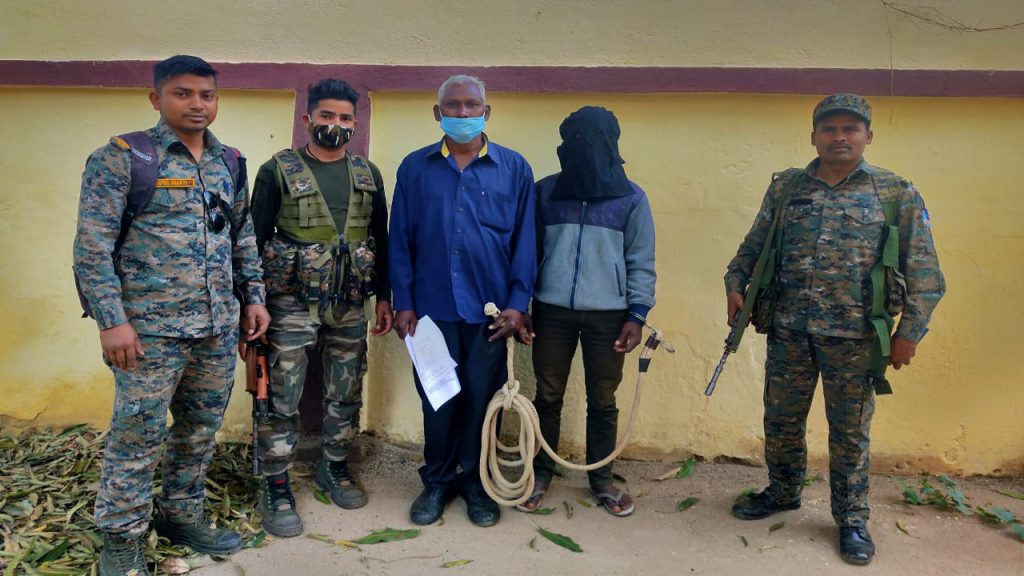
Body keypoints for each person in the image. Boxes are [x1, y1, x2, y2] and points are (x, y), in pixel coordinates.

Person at [725, 94, 945, 565]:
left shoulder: (895, 192)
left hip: (857, 339)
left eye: (850, 128)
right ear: (814, 137)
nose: (839, 137)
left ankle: (851, 519)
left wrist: (909, 334)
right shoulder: (788, 188)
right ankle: (783, 491)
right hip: (789, 329)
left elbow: (926, 274)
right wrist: (734, 284)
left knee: (849, 434)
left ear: (868, 136)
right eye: (829, 129)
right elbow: (754, 244)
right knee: (781, 421)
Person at [73, 55, 270, 576]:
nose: (197, 104)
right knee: (137, 437)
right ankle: (122, 539)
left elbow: (242, 236)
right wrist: (111, 321)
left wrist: (253, 298)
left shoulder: (230, 163)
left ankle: (180, 515)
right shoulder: (123, 159)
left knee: (198, 431)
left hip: (216, 327)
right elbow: (92, 248)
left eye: (207, 95)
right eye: (183, 93)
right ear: (156, 98)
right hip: (148, 333)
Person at [389, 74, 536, 527]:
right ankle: (436, 480)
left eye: (472, 105)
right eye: (453, 106)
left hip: (490, 313)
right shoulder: (414, 168)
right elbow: (400, 239)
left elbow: (525, 242)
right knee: (437, 399)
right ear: (438, 113)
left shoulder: (515, 169)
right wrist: (404, 301)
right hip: (430, 312)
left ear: (486, 112)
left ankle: (475, 483)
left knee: (479, 399)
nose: (463, 113)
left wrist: (518, 303)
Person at [248, 78, 392, 537]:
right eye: (327, 116)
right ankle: (275, 482)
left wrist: (384, 296)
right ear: (307, 119)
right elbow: (252, 240)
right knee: (281, 395)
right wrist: (250, 303)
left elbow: (381, 238)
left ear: (356, 123)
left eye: (345, 118)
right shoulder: (276, 170)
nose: (336, 124)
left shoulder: (367, 173)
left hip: (350, 301)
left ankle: (334, 466)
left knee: (345, 390)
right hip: (289, 302)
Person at [518, 106, 656, 517]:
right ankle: (541, 473)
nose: (586, 147)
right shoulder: (544, 192)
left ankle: (602, 479)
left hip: (609, 316)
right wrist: (521, 306)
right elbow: (526, 255)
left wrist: (637, 315)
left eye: (597, 138)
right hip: (551, 311)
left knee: (603, 397)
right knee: (547, 394)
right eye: (576, 139)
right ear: (564, 145)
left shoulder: (632, 199)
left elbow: (641, 260)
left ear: (613, 144)